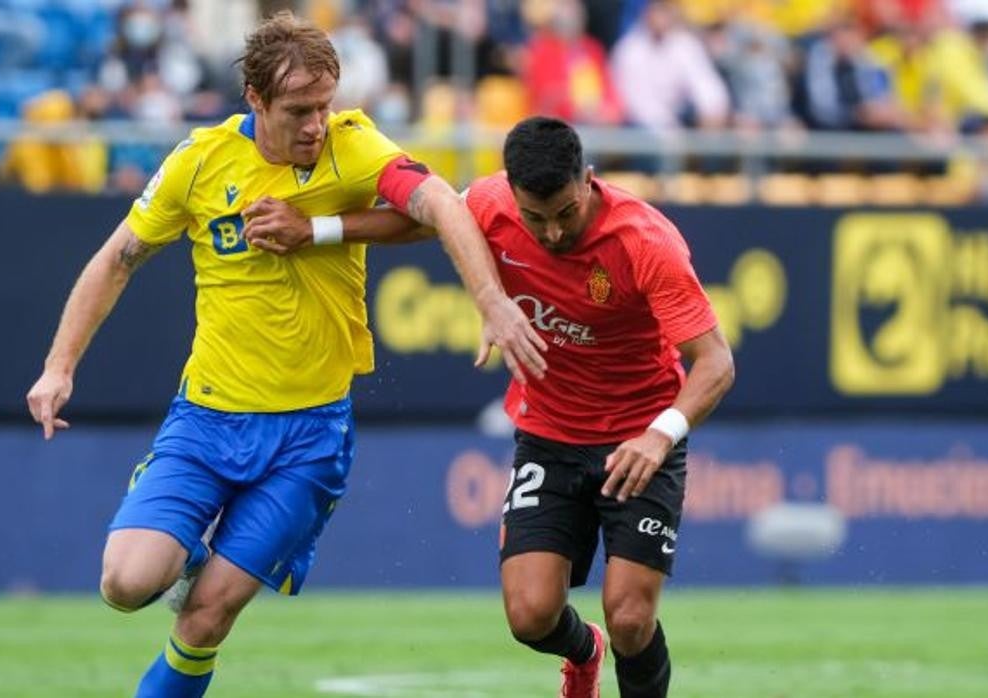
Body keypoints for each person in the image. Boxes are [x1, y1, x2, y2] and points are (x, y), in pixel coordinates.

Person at [24, 12, 545, 698]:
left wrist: (489, 300)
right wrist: (60, 366)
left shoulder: (351, 148)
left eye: (324, 106)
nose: (316, 125)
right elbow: (118, 257)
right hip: (206, 421)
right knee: (125, 584)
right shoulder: (200, 162)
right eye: (299, 110)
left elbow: (441, 207)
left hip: (308, 437)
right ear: (255, 100)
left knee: (207, 617)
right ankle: (181, 552)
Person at [253, 115, 735, 698]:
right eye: (536, 218)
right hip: (550, 434)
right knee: (530, 616)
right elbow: (417, 222)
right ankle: (584, 653)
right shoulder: (487, 203)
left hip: (639, 442)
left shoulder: (645, 242)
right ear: (510, 192)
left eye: (565, 213)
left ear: (588, 180)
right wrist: (317, 230)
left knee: (631, 618)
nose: (553, 233)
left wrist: (661, 435)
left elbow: (715, 362)